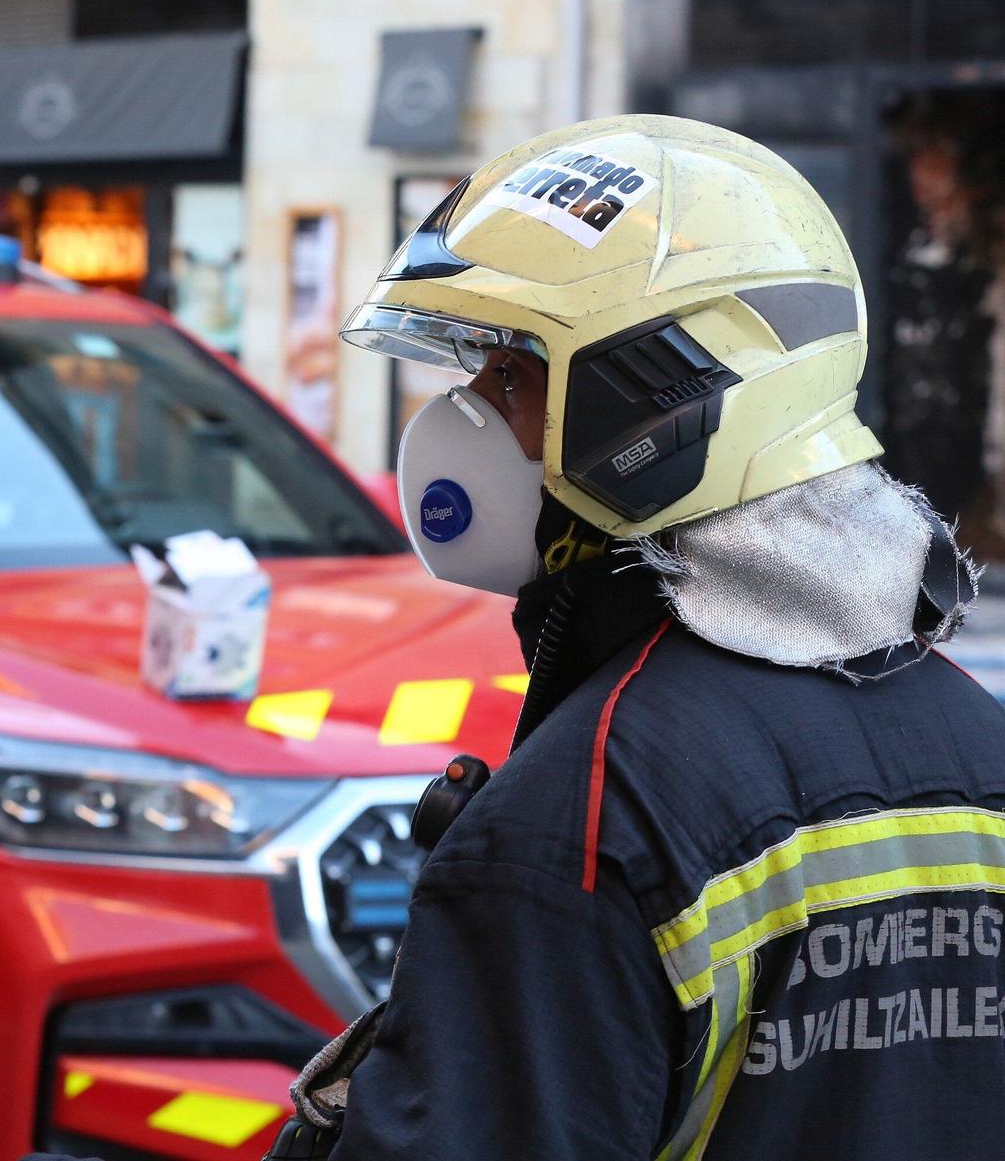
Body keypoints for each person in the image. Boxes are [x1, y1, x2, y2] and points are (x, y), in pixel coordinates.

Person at [276, 114, 1005, 1158]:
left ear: (650, 408)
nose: (464, 413)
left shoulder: (578, 820)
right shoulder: (970, 738)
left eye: (508, 373)